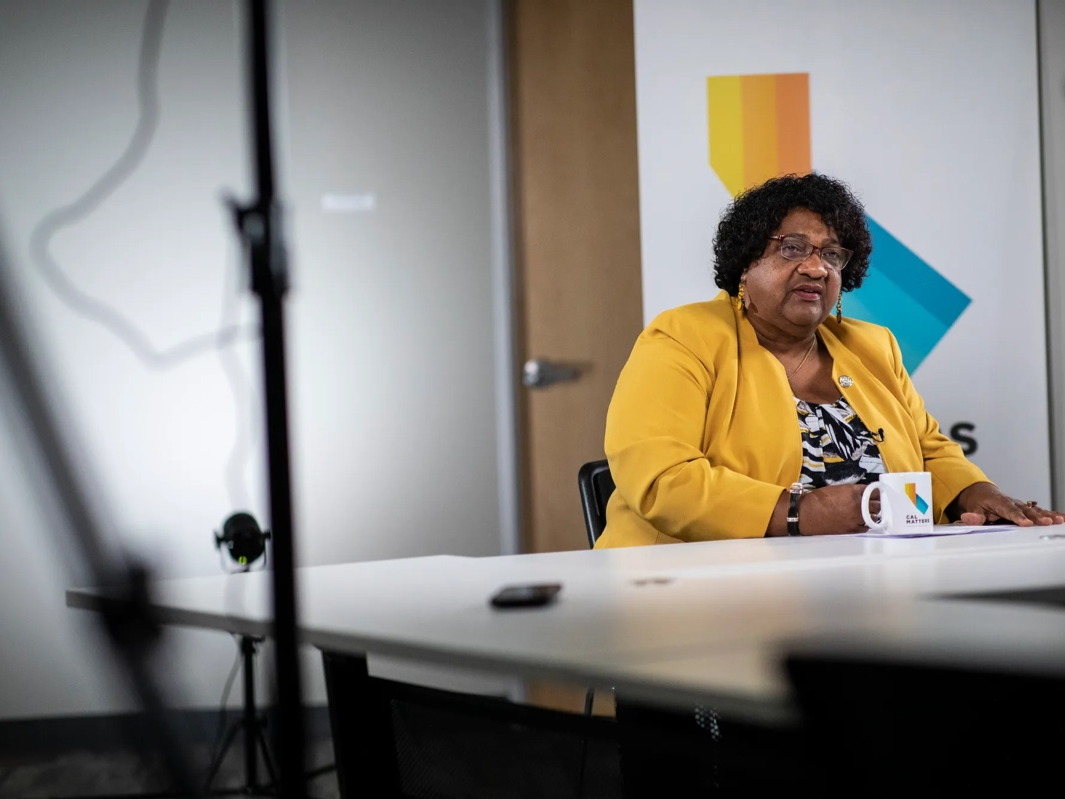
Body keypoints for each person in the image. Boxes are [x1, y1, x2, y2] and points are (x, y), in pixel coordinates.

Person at [596, 173, 1063, 548]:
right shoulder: (683, 338)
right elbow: (663, 481)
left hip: (867, 582)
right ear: (745, 263)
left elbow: (929, 448)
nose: (817, 268)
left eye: (832, 255)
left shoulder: (872, 345)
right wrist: (799, 514)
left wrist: (975, 493)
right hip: (689, 589)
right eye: (792, 247)